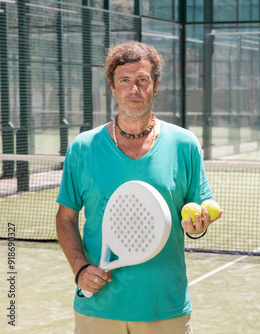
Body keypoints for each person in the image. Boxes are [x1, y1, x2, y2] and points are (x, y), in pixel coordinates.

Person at [56, 41, 222, 333]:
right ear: (112, 86)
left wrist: (198, 227)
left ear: (155, 86)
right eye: (125, 80)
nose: (134, 89)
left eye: (143, 80)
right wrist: (80, 268)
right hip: (99, 309)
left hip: (165, 307)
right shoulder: (83, 147)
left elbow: (196, 214)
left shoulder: (185, 144)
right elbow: (65, 218)